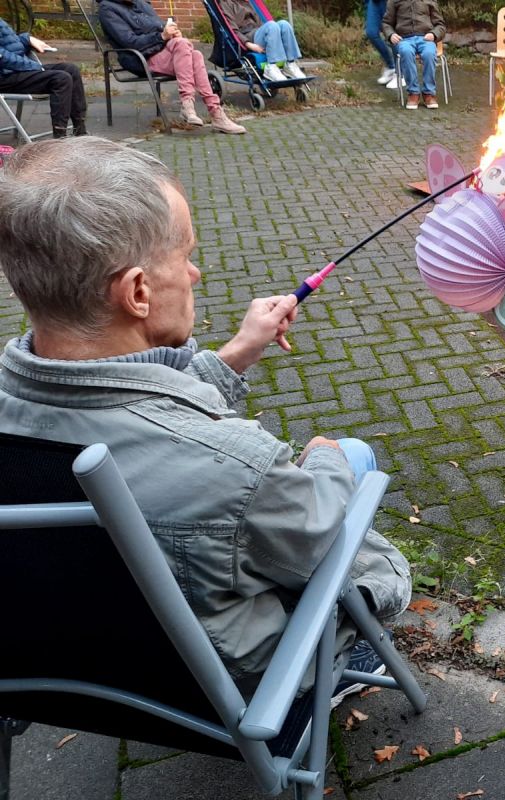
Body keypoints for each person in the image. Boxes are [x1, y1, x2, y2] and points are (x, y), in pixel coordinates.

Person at [0, 137, 411, 702]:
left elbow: (132, 415)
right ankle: (339, 671)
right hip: (231, 688)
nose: (193, 274)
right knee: (352, 456)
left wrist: (238, 351)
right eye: (184, 256)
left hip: (74, 673)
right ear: (137, 291)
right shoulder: (238, 467)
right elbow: (318, 541)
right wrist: (327, 458)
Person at [97, 0, 246, 134]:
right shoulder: (107, 9)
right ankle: (208, 112)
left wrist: (171, 32)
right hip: (139, 58)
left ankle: (206, 110)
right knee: (184, 47)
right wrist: (162, 37)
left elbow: (157, 25)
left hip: (162, 51)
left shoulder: (141, 3)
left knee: (195, 55)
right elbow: (129, 42)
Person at [0, 18, 87, 138]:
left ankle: (80, 132)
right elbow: (3, 57)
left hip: (15, 70)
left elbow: (11, 44)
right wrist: (35, 66)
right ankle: (59, 138)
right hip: (5, 77)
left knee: (71, 70)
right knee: (61, 79)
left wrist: (28, 39)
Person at [215, 0, 306, 84]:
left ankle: (290, 64)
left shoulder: (247, 2)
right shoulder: (225, 3)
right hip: (248, 35)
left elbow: (260, 23)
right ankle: (271, 67)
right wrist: (249, 45)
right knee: (272, 26)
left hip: (258, 31)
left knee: (284, 24)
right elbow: (233, 31)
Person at [381, 0, 444, 110]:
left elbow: (440, 25)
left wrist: (434, 34)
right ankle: (413, 93)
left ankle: (429, 93)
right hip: (404, 39)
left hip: (426, 38)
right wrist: (391, 35)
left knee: (429, 53)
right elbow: (386, 23)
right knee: (405, 52)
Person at [365, 0, 400, 89]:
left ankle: (400, 73)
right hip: (374, 2)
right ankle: (391, 66)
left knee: (393, 33)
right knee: (371, 33)